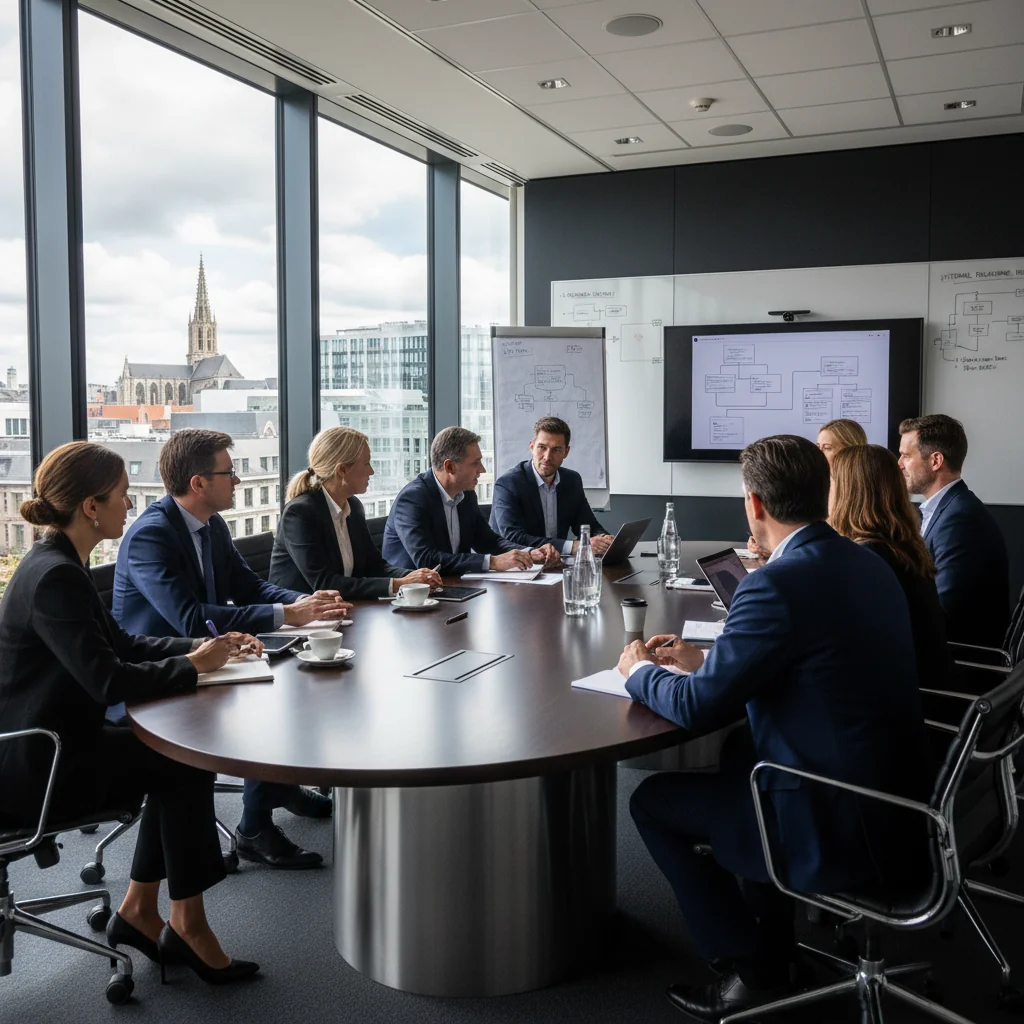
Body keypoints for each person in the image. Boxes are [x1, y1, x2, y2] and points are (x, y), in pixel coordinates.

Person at [617, 435, 927, 1021]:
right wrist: (708, 662)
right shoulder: (867, 561)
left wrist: (638, 672)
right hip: (899, 798)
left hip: (834, 815)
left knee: (652, 803)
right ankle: (776, 946)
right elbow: (816, 663)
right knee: (741, 750)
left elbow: (697, 708)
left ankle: (752, 969)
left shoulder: (774, 583)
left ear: (755, 503)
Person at [0, 442, 259, 984]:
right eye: (122, 495)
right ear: (91, 507)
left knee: (176, 758)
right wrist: (192, 666)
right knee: (182, 760)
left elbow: (121, 643)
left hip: (55, 742)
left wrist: (203, 648)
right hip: (40, 767)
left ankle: (144, 910)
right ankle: (184, 924)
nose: (130, 505)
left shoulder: (59, 562)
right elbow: (108, 679)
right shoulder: (55, 576)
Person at [113, 429, 352, 870]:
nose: (238, 480)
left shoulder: (211, 525)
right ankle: (255, 828)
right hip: (156, 674)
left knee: (298, 685)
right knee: (271, 698)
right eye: (229, 472)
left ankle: (280, 788)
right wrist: (287, 615)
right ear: (198, 483)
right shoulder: (152, 536)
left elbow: (248, 586)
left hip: (205, 658)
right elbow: (189, 618)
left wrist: (303, 603)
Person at [270, 427, 442, 599]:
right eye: (366, 463)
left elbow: (375, 566)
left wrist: (415, 577)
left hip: (342, 607)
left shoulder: (353, 506)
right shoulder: (300, 513)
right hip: (300, 611)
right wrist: (398, 584)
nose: (371, 471)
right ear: (342, 470)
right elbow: (325, 583)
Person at [829, 444, 951, 687]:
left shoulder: (868, 558)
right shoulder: (900, 545)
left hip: (911, 697)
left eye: (831, 482)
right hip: (923, 685)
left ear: (848, 492)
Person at [898, 414, 1010, 648]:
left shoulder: (960, 519)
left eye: (906, 456)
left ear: (936, 461)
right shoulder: (950, 509)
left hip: (959, 658)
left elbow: (946, 611)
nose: (899, 464)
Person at [382, 426, 552, 575]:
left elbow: (487, 541)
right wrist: (493, 562)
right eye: (475, 463)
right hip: (413, 595)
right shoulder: (412, 499)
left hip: (455, 586)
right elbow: (426, 559)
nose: (482, 470)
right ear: (450, 467)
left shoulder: (466, 494)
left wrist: (528, 553)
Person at [489, 415, 612, 563]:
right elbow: (513, 537)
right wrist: (573, 547)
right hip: (514, 566)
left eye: (556, 450)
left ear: (566, 452)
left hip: (554, 564)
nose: (547, 457)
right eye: (542, 447)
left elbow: (587, 525)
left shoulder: (571, 480)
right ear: (532, 447)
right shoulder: (508, 483)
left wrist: (604, 539)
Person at [746, 418, 867, 557]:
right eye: (818, 446)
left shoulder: (861, 493)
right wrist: (771, 544)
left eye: (827, 448)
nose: (818, 453)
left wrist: (779, 550)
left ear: (850, 451)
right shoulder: (813, 485)